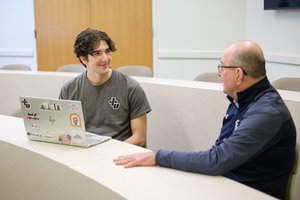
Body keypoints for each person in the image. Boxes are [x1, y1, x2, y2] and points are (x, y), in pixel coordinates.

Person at [113, 40, 296, 199]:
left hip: (248, 193)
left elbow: (217, 160)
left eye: (222, 67)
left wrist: (157, 156)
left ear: (238, 74)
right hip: (225, 185)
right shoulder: (239, 99)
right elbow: (218, 153)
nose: (219, 73)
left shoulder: (267, 113)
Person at [59, 28, 151, 147]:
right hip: (84, 153)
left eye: (107, 51)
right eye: (97, 53)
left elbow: (139, 138)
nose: (105, 58)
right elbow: (63, 131)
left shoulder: (131, 87)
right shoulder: (69, 89)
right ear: (83, 59)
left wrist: (106, 153)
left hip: (119, 155)